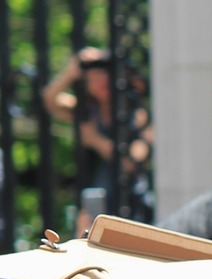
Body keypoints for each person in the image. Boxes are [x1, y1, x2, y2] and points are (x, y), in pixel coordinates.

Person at [42, 47, 154, 234]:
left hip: (133, 206)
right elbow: (50, 100)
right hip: (96, 205)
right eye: (92, 78)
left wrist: (95, 140)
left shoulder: (138, 116)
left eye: (103, 76)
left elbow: (129, 164)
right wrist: (71, 71)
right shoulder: (88, 111)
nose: (99, 82)